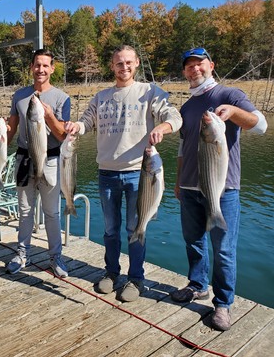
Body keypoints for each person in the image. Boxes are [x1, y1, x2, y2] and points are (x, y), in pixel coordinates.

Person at [65, 45, 182, 302]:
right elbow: (86, 122)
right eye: (119, 63)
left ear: (137, 63)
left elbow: (174, 115)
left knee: (135, 228)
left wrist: (163, 127)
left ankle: (136, 278)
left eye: (129, 62)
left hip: (140, 174)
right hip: (106, 173)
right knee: (109, 229)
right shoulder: (101, 97)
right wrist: (77, 127)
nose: (124, 67)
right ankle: (111, 272)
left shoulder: (150, 92)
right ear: (112, 65)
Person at [171, 47, 267, 331]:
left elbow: (260, 126)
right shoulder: (187, 107)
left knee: (224, 249)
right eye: (189, 66)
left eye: (199, 64)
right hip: (188, 188)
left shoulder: (230, 95)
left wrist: (235, 112)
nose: (194, 69)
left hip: (222, 189)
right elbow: (182, 147)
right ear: (185, 72)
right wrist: (177, 181)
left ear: (211, 65)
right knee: (194, 242)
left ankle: (223, 303)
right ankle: (198, 285)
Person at [6, 49, 71, 277]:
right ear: (31, 67)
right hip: (24, 159)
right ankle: (22, 253)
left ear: (52, 68)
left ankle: (56, 257)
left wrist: (50, 116)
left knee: (51, 212)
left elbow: (63, 135)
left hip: (50, 159)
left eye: (45, 65)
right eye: (37, 65)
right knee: (25, 211)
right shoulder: (19, 96)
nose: (41, 70)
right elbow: (11, 129)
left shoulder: (62, 98)